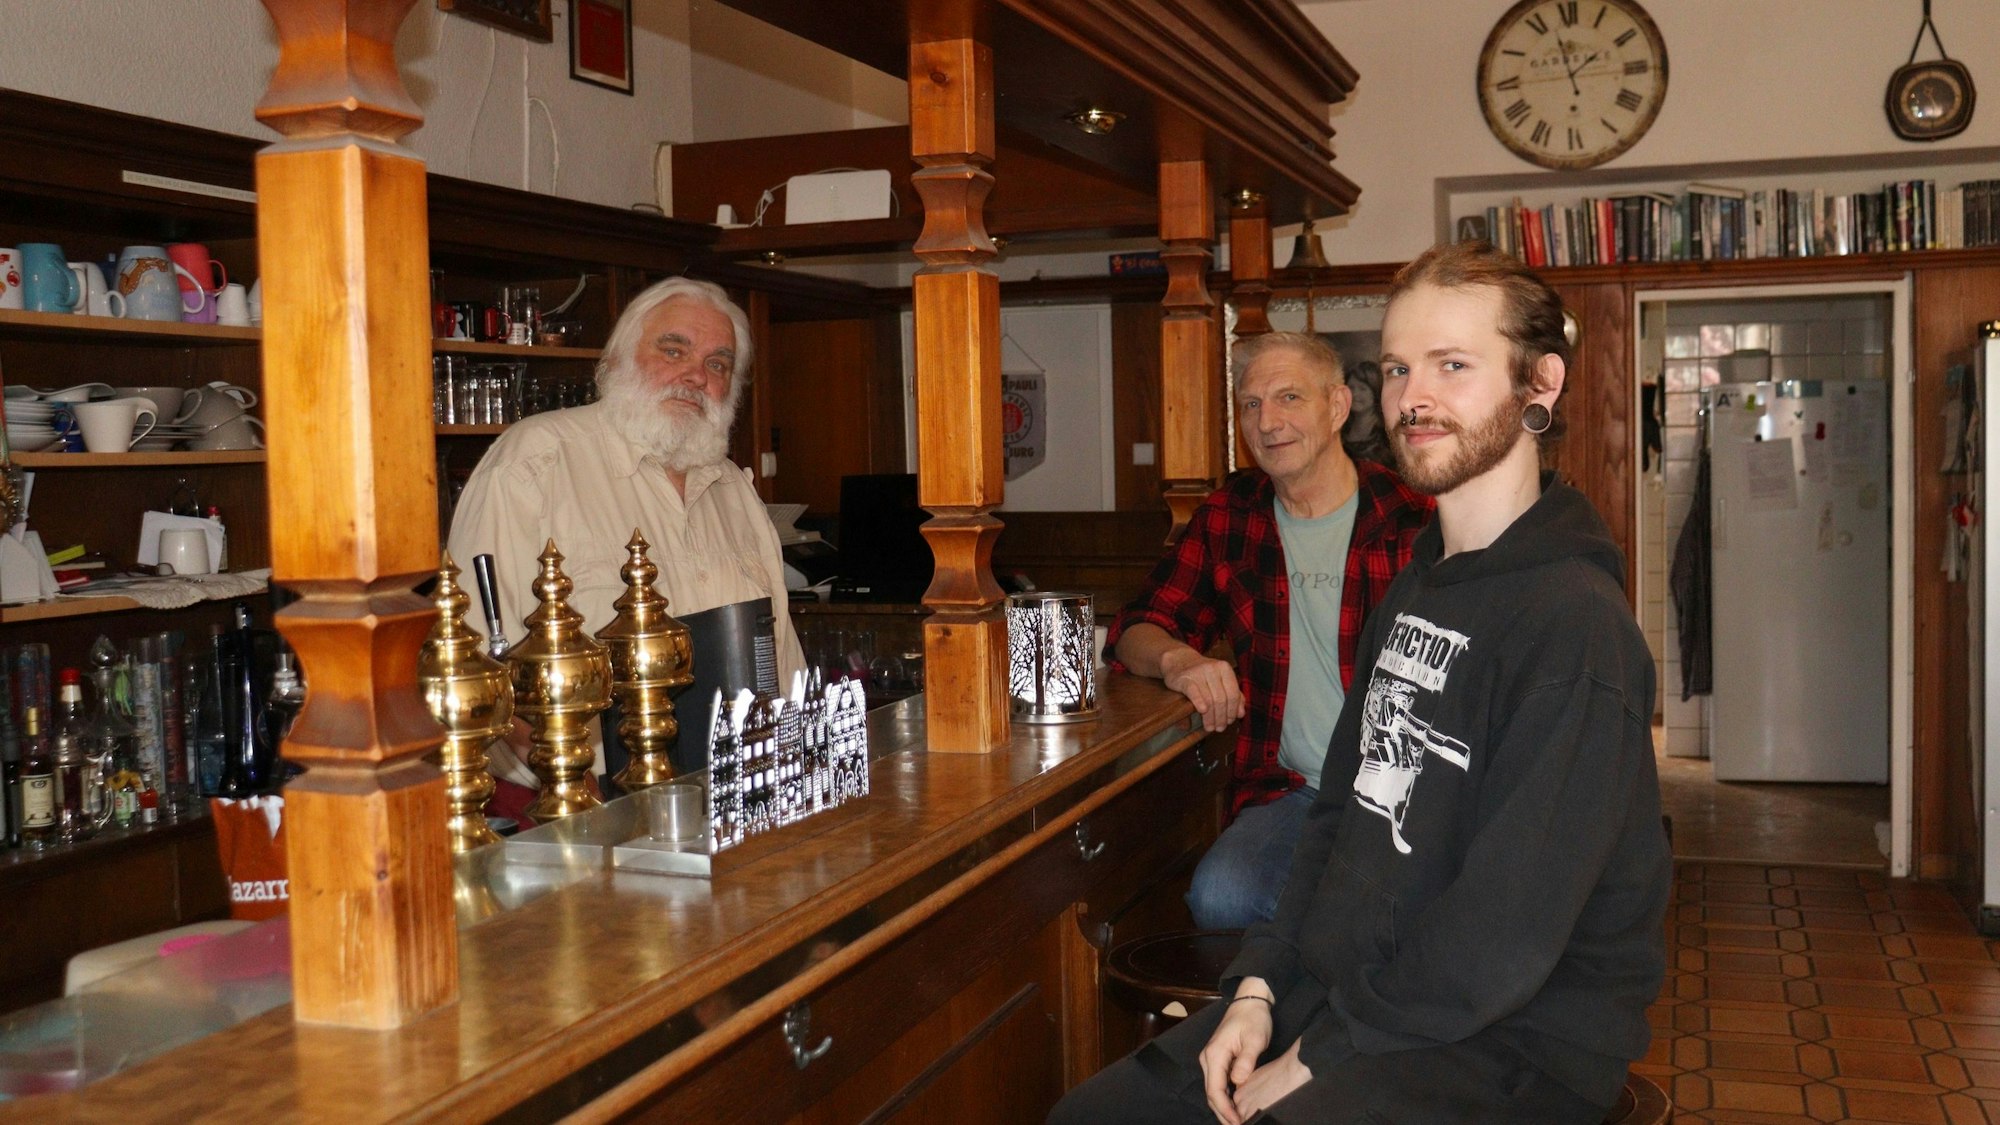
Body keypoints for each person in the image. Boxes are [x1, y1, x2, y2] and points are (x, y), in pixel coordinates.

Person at [1052, 242, 1670, 1124]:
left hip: (1511, 1044)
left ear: (1541, 384)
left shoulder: (1576, 629)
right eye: (1397, 368)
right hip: (1360, 993)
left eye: (1453, 366)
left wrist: (1318, 1055)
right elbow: (1339, 815)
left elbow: (1502, 935)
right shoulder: (1416, 586)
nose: (1414, 397)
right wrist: (1260, 985)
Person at [1107, 332, 1431, 930]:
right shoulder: (1232, 516)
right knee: (1221, 897)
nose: (1268, 422)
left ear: (1336, 408)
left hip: (1406, 794)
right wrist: (1181, 661)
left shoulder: (1414, 518)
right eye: (1252, 404)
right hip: (1290, 792)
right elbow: (1137, 626)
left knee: (1408, 915)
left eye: (1288, 398)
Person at [448, 276, 805, 801]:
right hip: (576, 806)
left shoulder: (735, 490)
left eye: (718, 364)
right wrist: (579, 795)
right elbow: (472, 668)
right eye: (673, 349)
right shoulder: (534, 462)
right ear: (616, 361)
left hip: (736, 798)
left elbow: (781, 664)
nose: (694, 376)